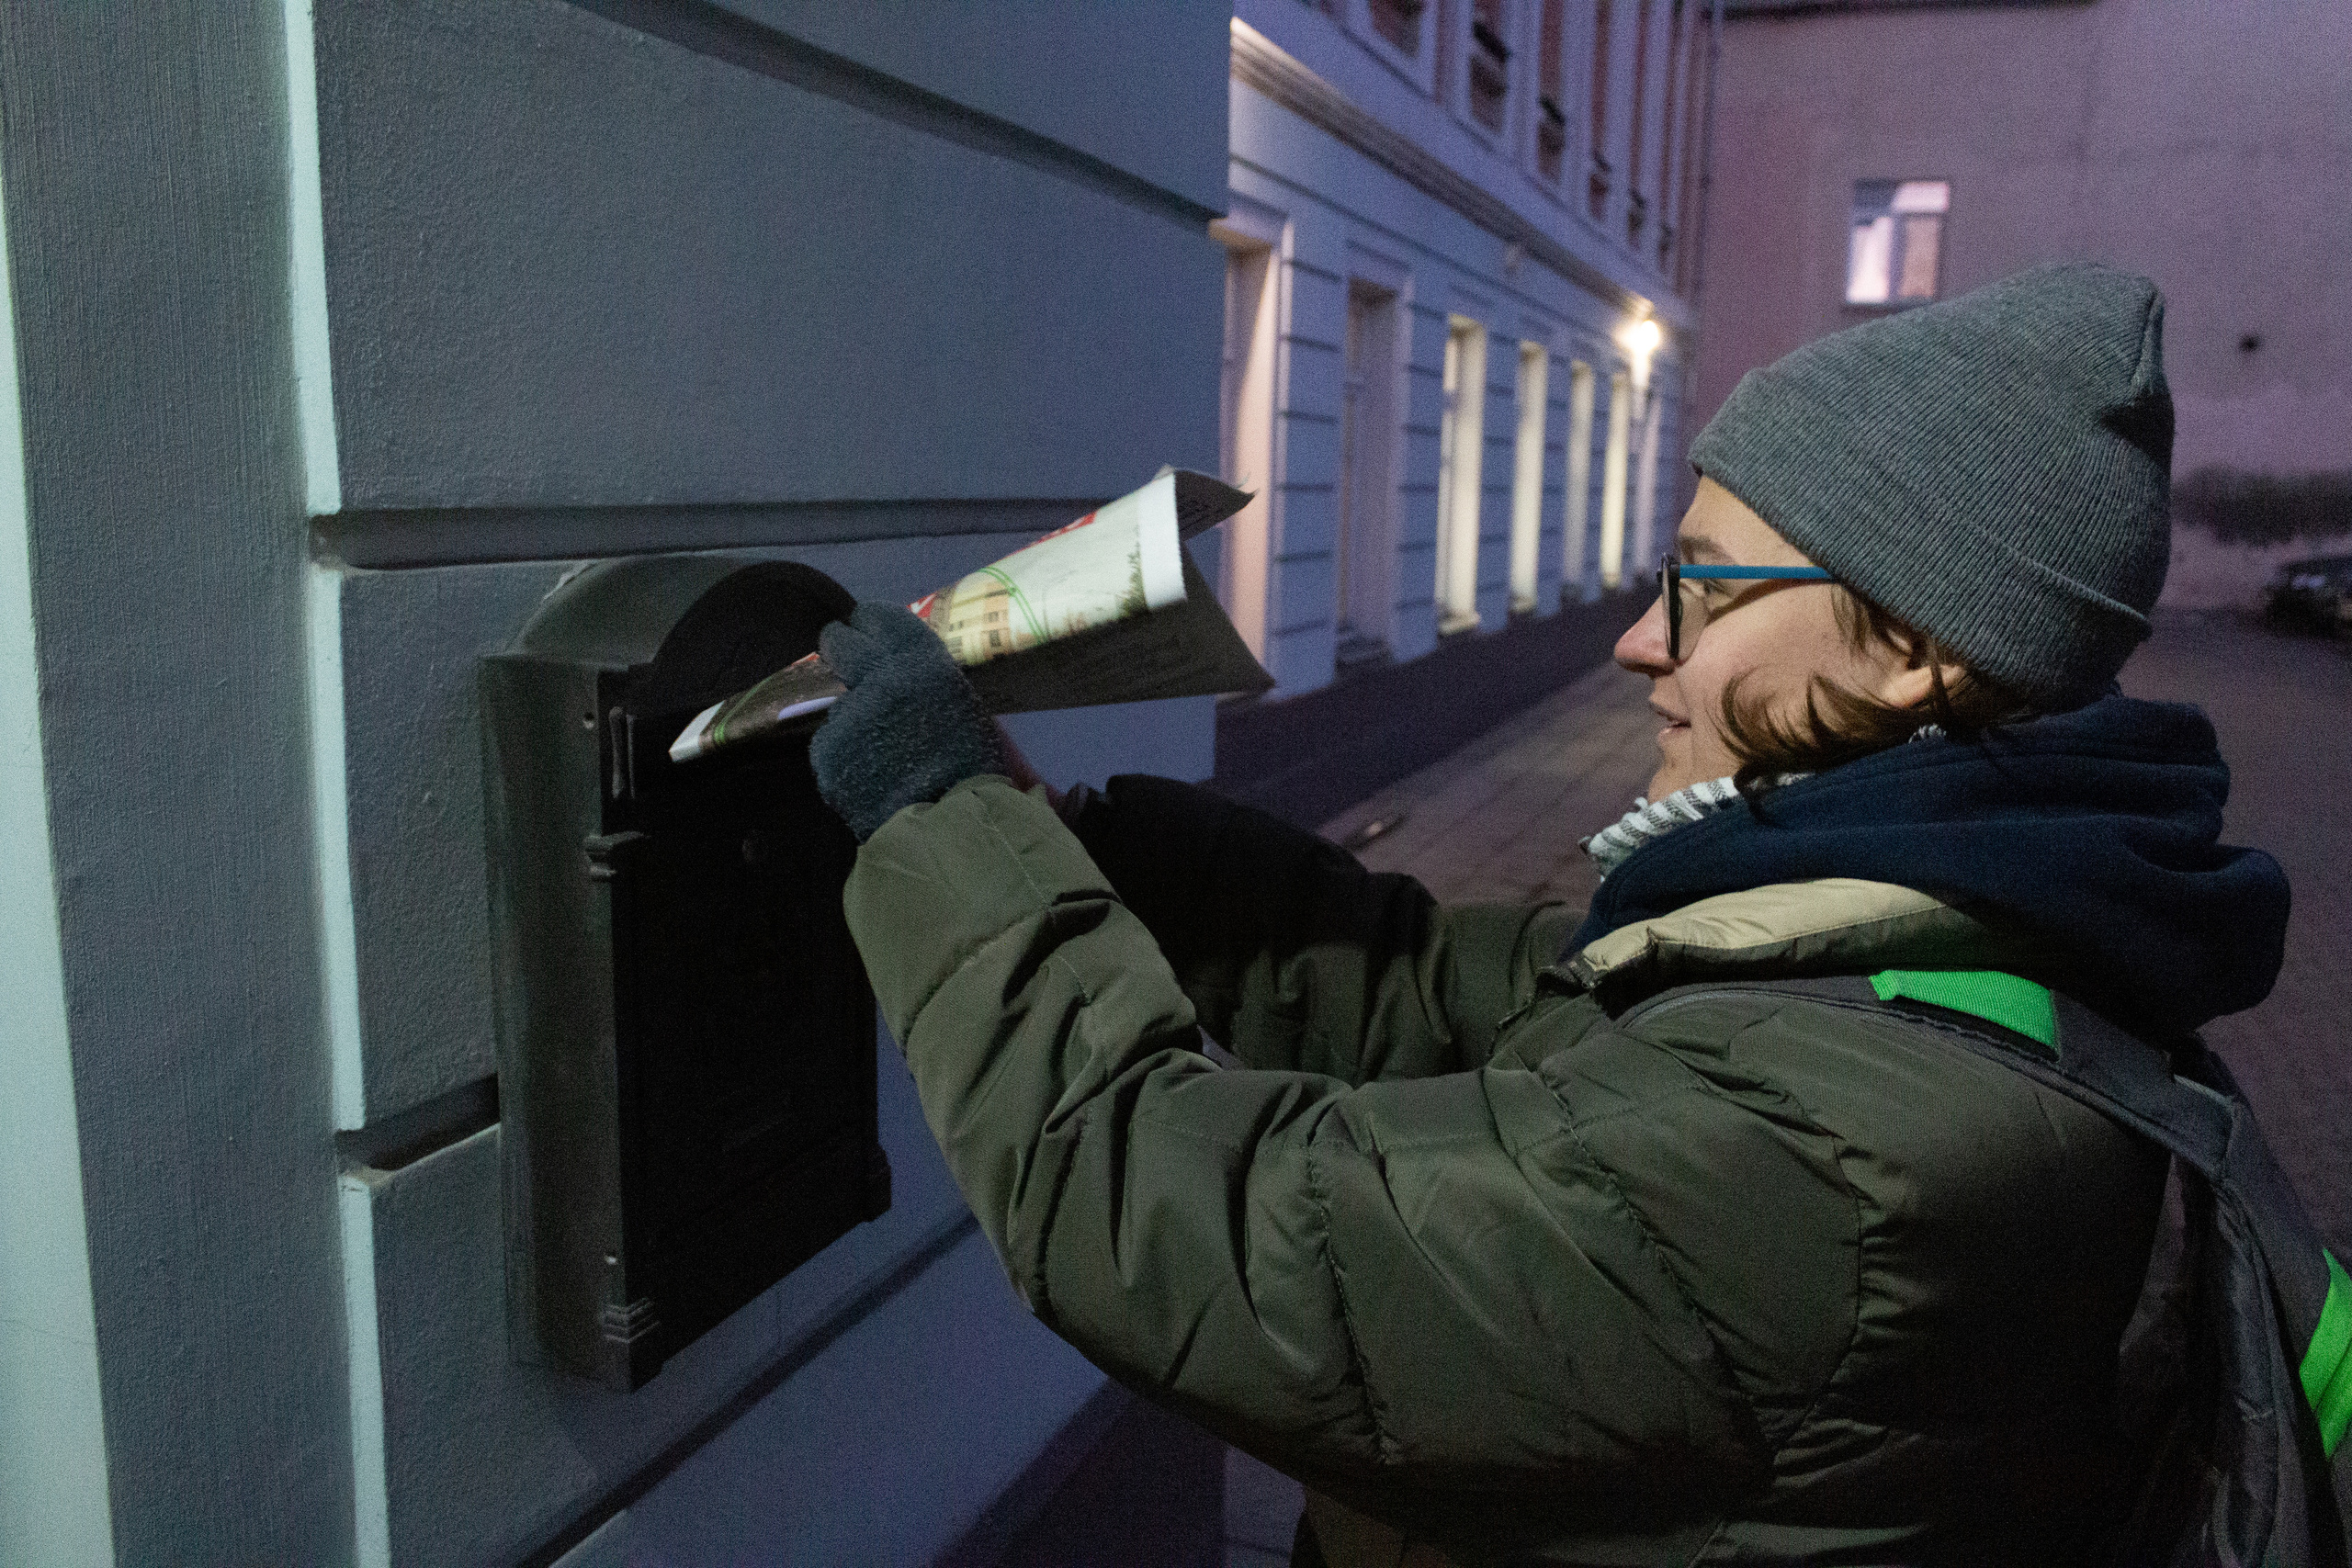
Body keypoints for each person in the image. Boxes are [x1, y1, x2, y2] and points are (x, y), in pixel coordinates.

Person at [807, 264, 2290, 1565]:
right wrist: (1082, 849)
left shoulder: (1841, 1163)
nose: (1640, 639)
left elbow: (1204, 1230)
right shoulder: (1922, 937)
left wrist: (941, 823)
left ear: (1909, 648)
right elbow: (1443, 988)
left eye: (1704, 585)